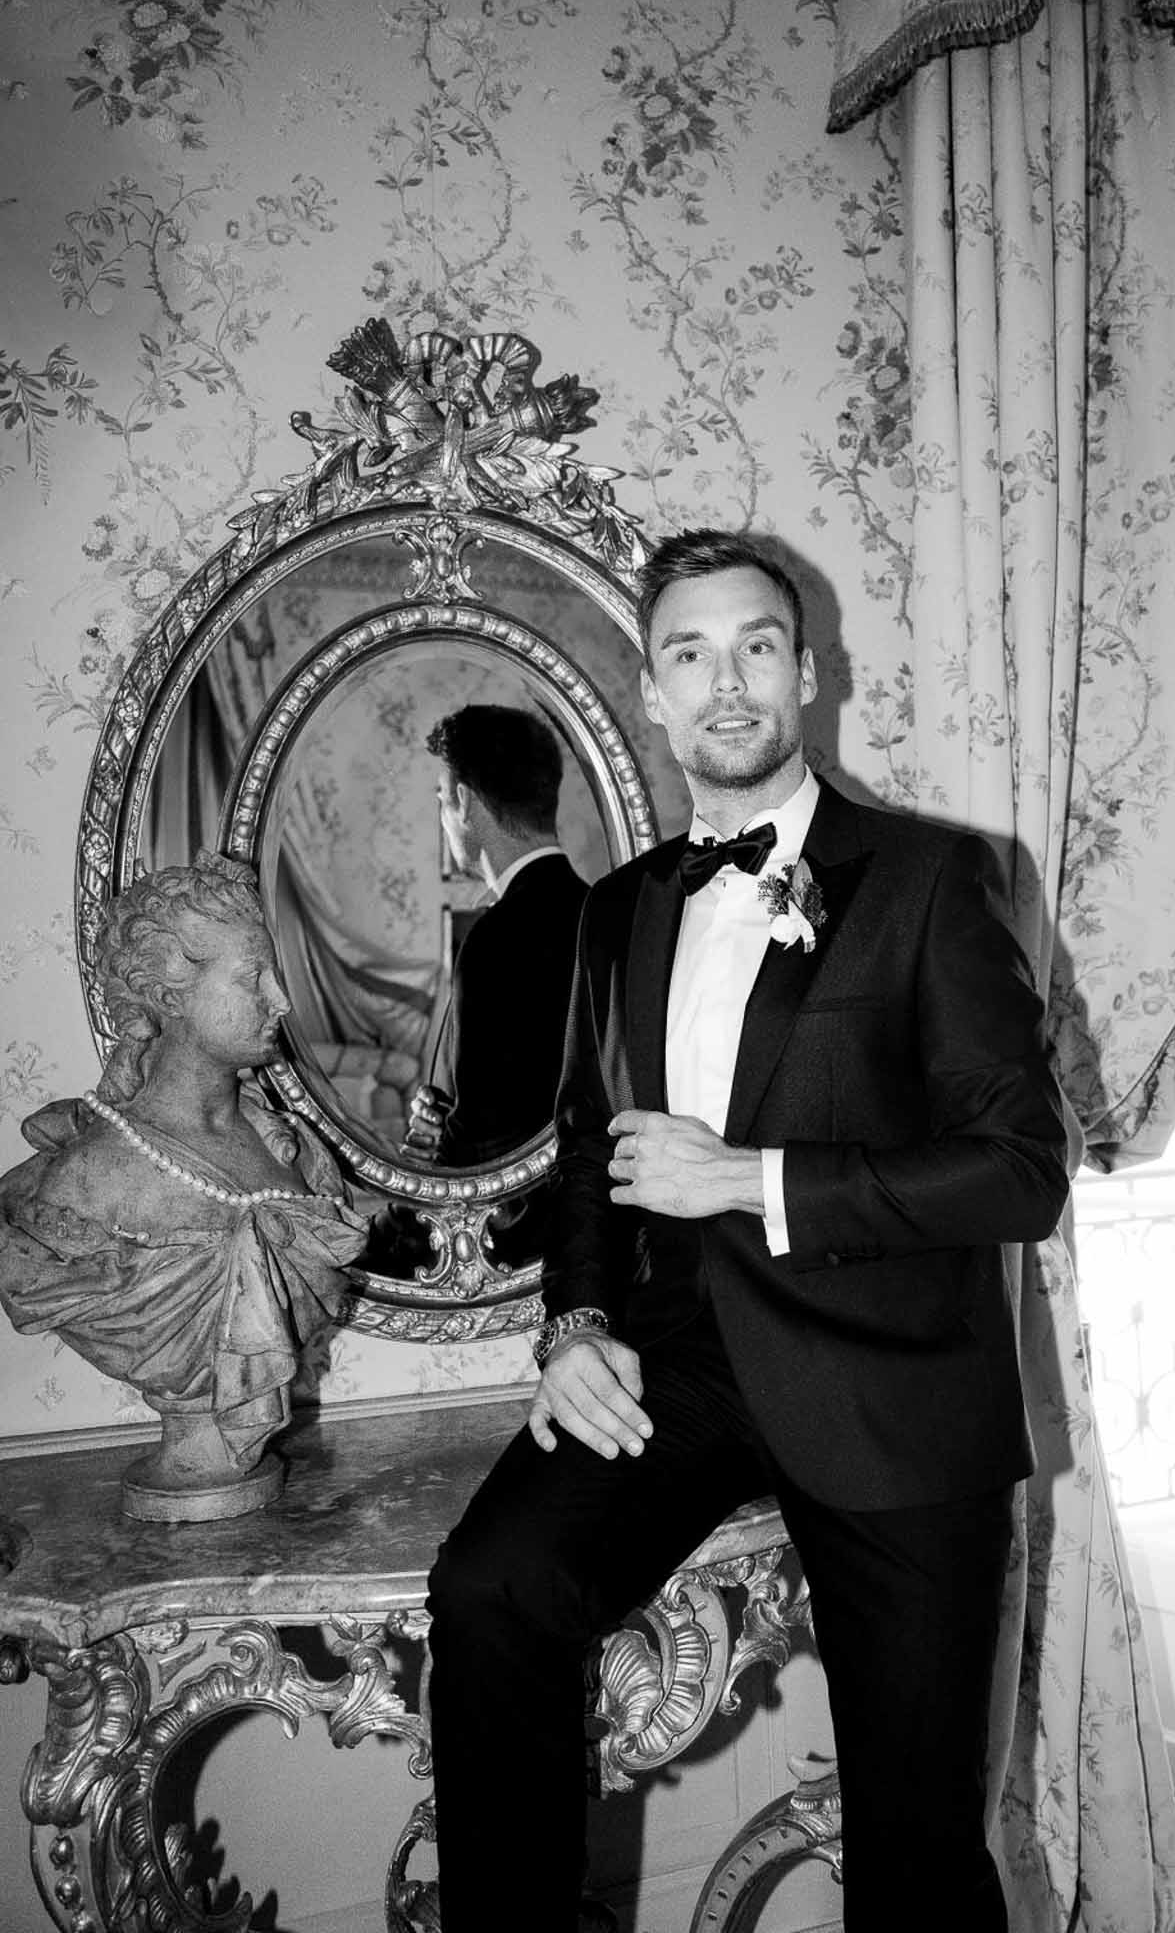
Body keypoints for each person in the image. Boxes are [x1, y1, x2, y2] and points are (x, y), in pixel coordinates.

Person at [424, 531, 1071, 1929]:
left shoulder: (930, 879)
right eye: (688, 653)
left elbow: (1019, 1170)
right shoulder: (610, 911)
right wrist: (573, 1326)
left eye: (756, 647)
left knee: (913, 1839)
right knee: (491, 1591)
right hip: (678, 1369)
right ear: (649, 692)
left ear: (807, 674)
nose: (726, 683)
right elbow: (593, 1151)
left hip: (894, 1377)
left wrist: (753, 1178)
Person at [0, 852, 365, 1514]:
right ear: (171, 996)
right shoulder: (88, 1180)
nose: (280, 1000)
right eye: (252, 977)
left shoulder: (291, 1154)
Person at [403, 703, 588, 1175]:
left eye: (442, 797)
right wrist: (445, 1113)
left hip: (515, 1231)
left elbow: (483, 1139)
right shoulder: (598, 911)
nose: (444, 816)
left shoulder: (495, 940)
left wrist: (435, 1155)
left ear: (463, 802)